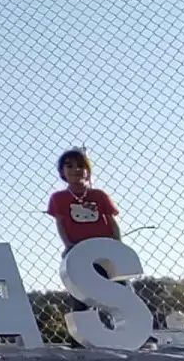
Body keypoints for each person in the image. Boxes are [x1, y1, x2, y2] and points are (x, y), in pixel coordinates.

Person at [45, 147, 122, 346]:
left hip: (103, 249)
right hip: (79, 251)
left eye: (81, 166)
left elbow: (111, 222)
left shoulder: (99, 195)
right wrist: (69, 245)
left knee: (118, 287)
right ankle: (80, 337)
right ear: (62, 172)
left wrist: (117, 245)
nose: (76, 170)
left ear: (88, 170)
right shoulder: (58, 198)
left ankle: (128, 330)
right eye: (69, 166)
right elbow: (61, 223)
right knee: (80, 293)